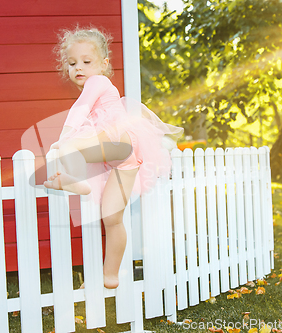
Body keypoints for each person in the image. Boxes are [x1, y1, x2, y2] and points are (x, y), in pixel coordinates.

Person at [44, 27, 183, 289]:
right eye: (72, 63)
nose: (79, 68)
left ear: (104, 64)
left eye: (87, 62)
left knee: (67, 148)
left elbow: (80, 109)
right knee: (112, 218)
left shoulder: (97, 83)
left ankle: (77, 181)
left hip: (116, 140)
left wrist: (65, 138)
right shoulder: (97, 86)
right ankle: (110, 274)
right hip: (124, 158)